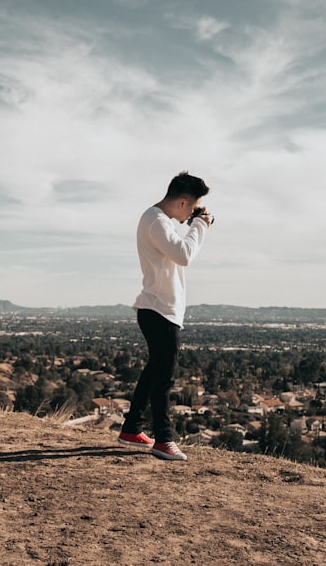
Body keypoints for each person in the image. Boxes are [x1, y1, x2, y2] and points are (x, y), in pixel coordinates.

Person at [117, 171, 214, 461]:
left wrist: (194, 221)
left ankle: (132, 428)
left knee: (154, 372)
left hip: (159, 308)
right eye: (192, 207)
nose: (191, 215)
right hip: (159, 309)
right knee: (164, 378)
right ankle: (163, 440)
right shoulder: (156, 221)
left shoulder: (157, 221)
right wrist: (200, 225)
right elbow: (184, 254)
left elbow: (177, 251)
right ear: (184, 202)